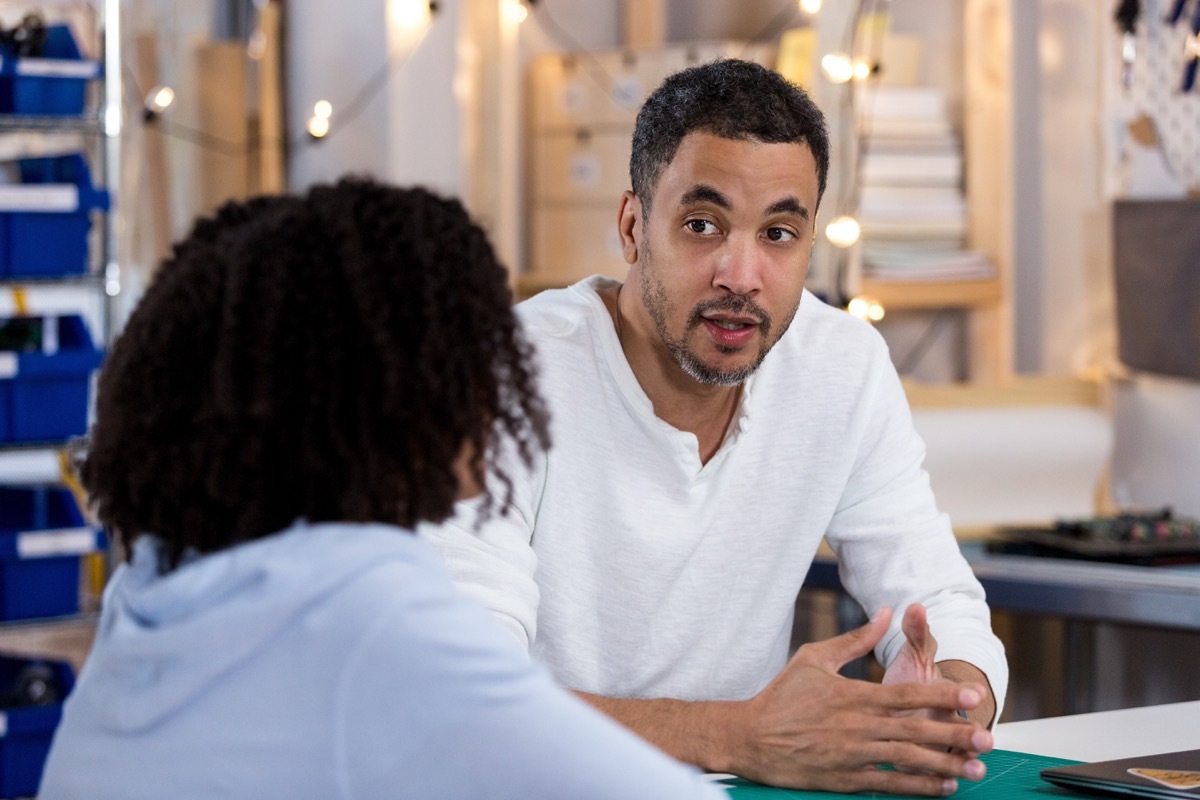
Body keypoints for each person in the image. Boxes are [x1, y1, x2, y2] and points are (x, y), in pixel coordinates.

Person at [423, 59, 1009, 795]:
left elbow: (940, 598)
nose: (742, 272)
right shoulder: (501, 371)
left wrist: (945, 696)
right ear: (633, 226)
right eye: (703, 225)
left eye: (780, 232)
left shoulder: (842, 365)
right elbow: (458, 705)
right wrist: (737, 735)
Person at [38, 179, 728, 799]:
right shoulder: (365, 623)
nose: (496, 387)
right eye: (471, 354)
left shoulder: (160, 587)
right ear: (396, 395)